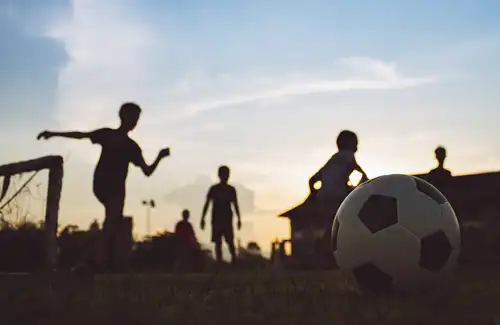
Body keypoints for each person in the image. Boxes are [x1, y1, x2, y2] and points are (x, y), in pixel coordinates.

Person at [37, 102, 170, 272]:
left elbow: (147, 171)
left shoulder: (131, 146)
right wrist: (54, 133)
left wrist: (159, 157)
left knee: (113, 224)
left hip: (112, 187)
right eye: (134, 118)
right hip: (106, 185)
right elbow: (81, 135)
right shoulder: (110, 136)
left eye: (137, 119)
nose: (135, 122)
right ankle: (94, 259)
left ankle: (99, 259)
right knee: (111, 223)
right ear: (124, 117)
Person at [308, 130, 368, 261]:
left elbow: (312, 180)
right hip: (339, 197)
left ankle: (321, 255)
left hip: (324, 198)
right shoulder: (348, 156)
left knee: (331, 226)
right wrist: (359, 188)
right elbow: (358, 172)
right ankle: (339, 257)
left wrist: (314, 196)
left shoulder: (332, 159)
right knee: (345, 227)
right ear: (352, 145)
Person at [200, 165, 241, 265]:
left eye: (227, 174)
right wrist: (203, 218)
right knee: (218, 243)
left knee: (230, 241)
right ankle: (219, 264)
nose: (226, 176)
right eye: (224, 174)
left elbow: (235, 204)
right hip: (217, 218)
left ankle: (234, 262)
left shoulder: (231, 189)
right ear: (219, 175)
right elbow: (207, 203)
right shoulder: (214, 189)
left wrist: (239, 218)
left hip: (227, 218)